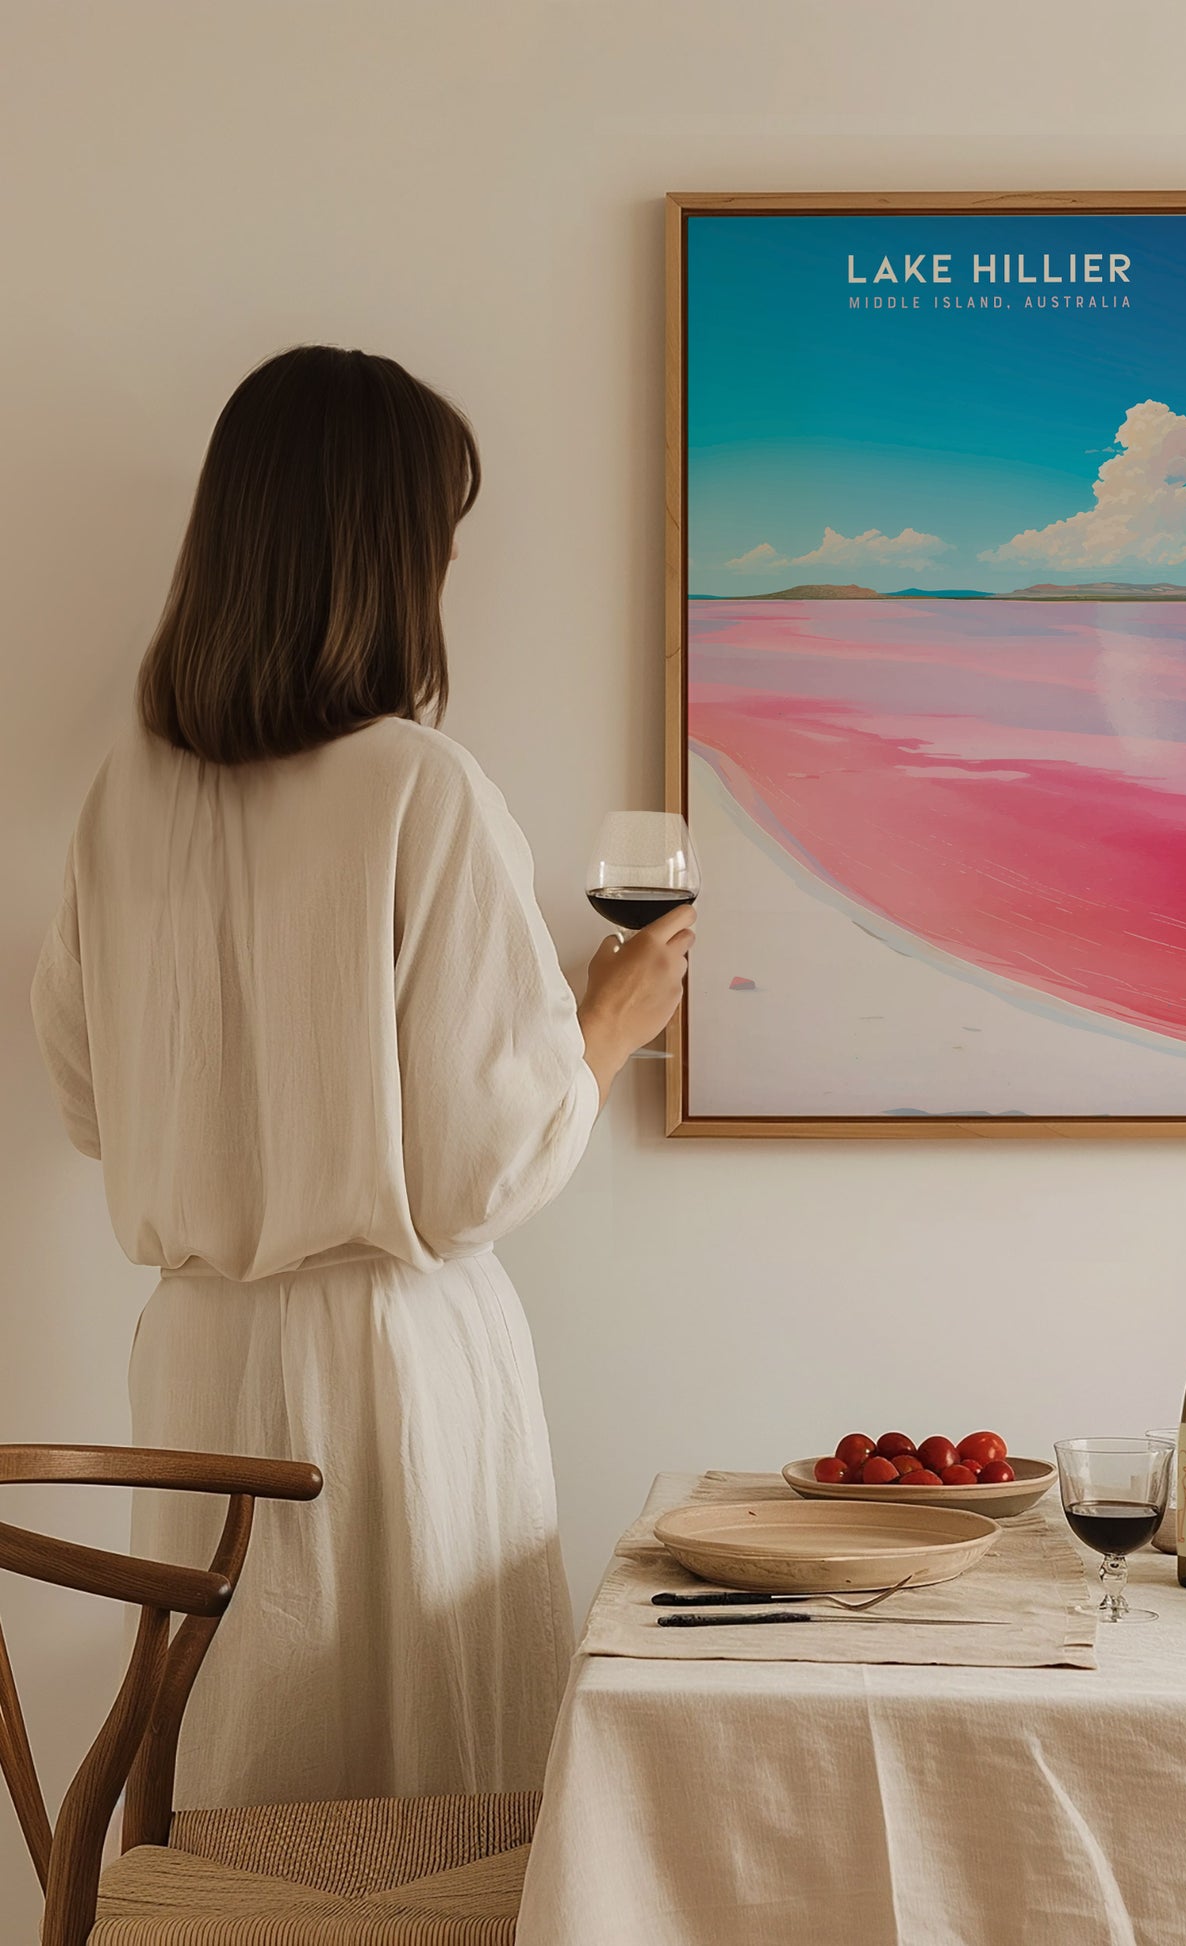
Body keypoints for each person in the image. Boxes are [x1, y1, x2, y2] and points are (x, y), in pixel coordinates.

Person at [29, 345, 690, 1806]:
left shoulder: (123, 796)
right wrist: (606, 1019)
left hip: (197, 1359)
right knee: (423, 1808)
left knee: (241, 1787)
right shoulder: (417, 785)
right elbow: (474, 1173)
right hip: (390, 1370)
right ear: (388, 555)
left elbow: (87, 1101)